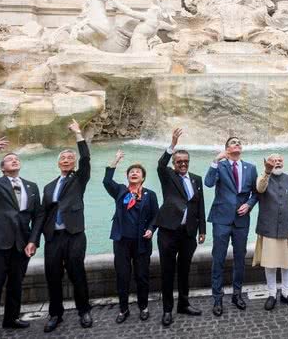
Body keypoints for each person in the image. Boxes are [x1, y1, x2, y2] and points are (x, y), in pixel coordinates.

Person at [0, 138, 44, 339]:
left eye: (16, 159)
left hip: (22, 243)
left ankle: (11, 319)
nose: (14, 160)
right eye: (9, 159)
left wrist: (33, 240)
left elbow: (38, 215)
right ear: (3, 168)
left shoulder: (32, 186)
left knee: (16, 283)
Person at [42, 119, 93, 332]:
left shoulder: (79, 179)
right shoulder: (48, 187)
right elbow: (42, 215)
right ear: (58, 163)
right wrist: (34, 240)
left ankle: (84, 311)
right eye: (63, 157)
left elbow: (87, 158)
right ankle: (55, 314)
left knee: (77, 272)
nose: (66, 160)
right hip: (53, 237)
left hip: (74, 234)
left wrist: (78, 134)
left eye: (70, 157)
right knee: (52, 276)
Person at [155, 129, 206, 326]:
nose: (183, 164)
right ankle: (167, 309)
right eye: (179, 161)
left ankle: (183, 304)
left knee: (184, 271)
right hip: (168, 232)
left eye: (186, 161)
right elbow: (160, 165)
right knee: (167, 271)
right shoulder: (168, 175)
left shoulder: (196, 179)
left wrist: (202, 230)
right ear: (174, 164)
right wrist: (172, 145)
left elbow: (199, 205)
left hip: (188, 233)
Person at [204, 136, 259, 316]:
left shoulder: (250, 168)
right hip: (221, 219)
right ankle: (217, 298)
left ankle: (237, 294)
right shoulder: (220, 165)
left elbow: (256, 193)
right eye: (232, 143)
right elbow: (208, 183)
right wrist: (215, 160)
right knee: (218, 259)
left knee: (240, 259)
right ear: (226, 149)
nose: (237, 144)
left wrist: (249, 204)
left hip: (241, 220)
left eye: (238, 143)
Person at [103, 151, 159, 323]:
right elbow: (106, 181)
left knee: (142, 276)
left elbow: (156, 216)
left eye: (138, 172)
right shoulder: (120, 190)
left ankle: (143, 307)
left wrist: (151, 229)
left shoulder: (150, 194)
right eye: (131, 172)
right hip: (121, 241)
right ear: (127, 176)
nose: (134, 173)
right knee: (122, 276)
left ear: (143, 178)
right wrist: (116, 160)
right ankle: (123, 309)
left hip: (142, 242)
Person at [253, 154, 288, 311]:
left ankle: (286, 293)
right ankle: (272, 294)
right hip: (268, 229)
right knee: (270, 264)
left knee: (287, 264)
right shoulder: (263, 178)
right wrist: (266, 172)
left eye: (280, 160)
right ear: (268, 163)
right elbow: (260, 188)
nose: (278, 162)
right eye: (274, 160)